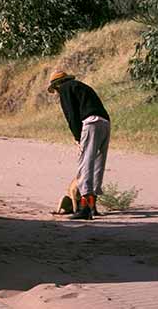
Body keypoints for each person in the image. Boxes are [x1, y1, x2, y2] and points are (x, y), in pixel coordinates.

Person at [47, 70, 111, 220]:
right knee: (98, 164)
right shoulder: (80, 86)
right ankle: (93, 205)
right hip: (105, 122)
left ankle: (84, 207)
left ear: (57, 85)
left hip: (91, 123)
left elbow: (72, 115)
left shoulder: (65, 89)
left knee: (86, 164)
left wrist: (77, 137)